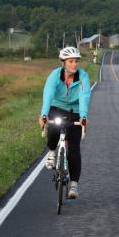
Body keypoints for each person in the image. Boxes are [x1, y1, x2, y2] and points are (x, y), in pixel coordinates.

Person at [39, 46, 91, 199]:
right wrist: (43, 114)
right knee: (54, 128)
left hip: (75, 111)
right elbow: (48, 94)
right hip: (57, 107)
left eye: (76, 61)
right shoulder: (55, 75)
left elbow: (84, 96)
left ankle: (74, 186)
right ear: (64, 62)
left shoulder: (83, 77)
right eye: (70, 61)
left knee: (74, 149)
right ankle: (52, 152)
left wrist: (83, 117)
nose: (74, 64)